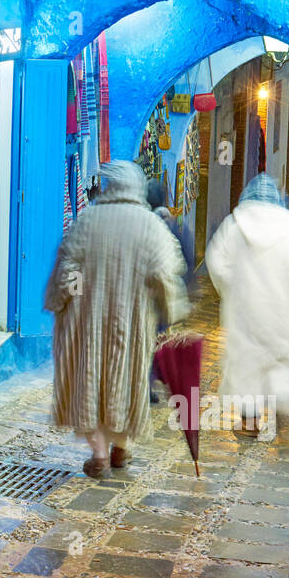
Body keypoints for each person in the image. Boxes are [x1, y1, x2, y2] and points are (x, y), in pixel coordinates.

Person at [44, 161, 190, 477]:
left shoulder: (89, 219)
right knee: (127, 383)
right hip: (133, 322)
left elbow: (70, 271)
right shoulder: (151, 225)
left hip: (89, 322)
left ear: (111, 187)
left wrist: (69, 299)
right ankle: (121, 450)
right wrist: (170, 311)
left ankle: (98, 456)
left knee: (91, 384)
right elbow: (164, 275)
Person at [205, 174, 289, 442]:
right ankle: (283, 410)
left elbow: (216, 262)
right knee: (282, 366)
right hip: (286, 316)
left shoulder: (234, 227)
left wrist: (232, 290)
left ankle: (249, 423)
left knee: (246, 369)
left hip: (246, 315)